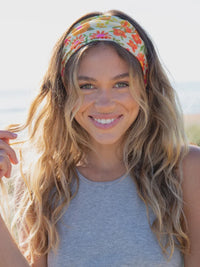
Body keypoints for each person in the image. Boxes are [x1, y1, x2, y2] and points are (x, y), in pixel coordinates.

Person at [0, 9, 200, 267]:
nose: (104, 103)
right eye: (87, 86)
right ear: (64, 92)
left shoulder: (186, 169)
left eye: (121, 84)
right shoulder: (43, 182)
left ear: (146, 87)